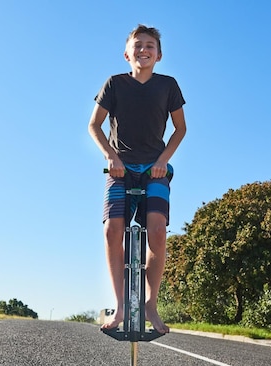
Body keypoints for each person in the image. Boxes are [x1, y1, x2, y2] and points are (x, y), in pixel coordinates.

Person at [88, 24, 187, 335]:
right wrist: (111, 157)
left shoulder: (168, 86)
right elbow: (94, 125)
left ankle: (150, 304)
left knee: (157, 230)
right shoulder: (114, 84)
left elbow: (180, 129)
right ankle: (119, 305)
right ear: (126, 53)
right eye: (138, 45)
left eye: (150, 46)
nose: (143, 49)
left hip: (154, 169)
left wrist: (162, 161)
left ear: (159, 55)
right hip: (120, 168)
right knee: (111, 229)